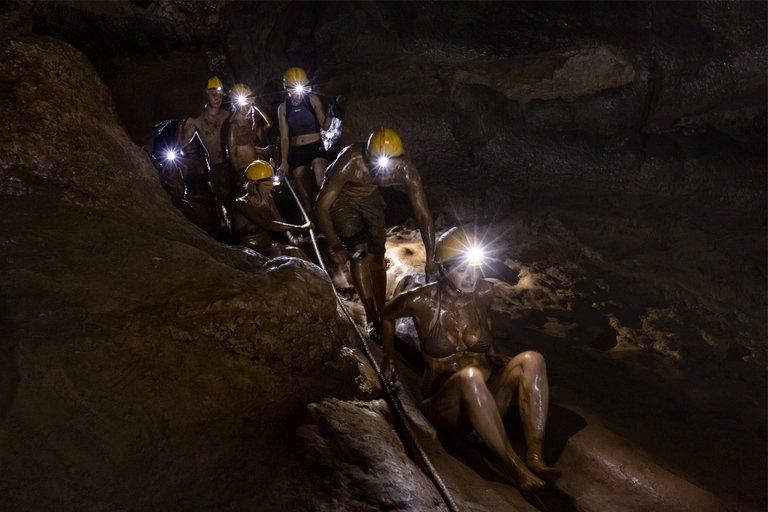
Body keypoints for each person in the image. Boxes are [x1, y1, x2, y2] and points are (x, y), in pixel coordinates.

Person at [379, 228, 560, 493]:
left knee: (532, 358)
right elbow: (385, 315)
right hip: (445, 407)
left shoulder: (484, 293)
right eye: (463, 270)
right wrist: (389, 358)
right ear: (444, 270)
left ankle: (535, 457)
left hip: (487, 400)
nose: (472, 277)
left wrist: (492, 350)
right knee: (470, 377)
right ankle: (515, 467)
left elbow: (485, 321)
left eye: (476, 269)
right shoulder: (420, 301)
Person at [314, 128, 436, 333]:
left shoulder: (407, 171)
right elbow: (321, 206)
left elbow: (424, 216)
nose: (384, 174)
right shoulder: (351, 161)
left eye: (390, 168)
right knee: (359, 251)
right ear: (368, 158)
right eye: (378, 166)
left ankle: (382, 307)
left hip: (370, 199)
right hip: (343, 199)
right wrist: (334, 243)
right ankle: (371, 315)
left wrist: (431, 257)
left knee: (378, 253)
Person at [178, 76, 233, 229]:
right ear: (206, 95)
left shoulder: (227, 115)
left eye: (220, 95)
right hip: (216, 167)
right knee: (223, 204)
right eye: (214, 94)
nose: (218, 98)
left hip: (234, 165)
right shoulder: (197, 119)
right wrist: (183, 120)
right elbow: (181, 143)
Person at [276, 67, 332, 213]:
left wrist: (331, 113)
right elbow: (284, 137)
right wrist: (284, 161)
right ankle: (311, 228)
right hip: (297, 151)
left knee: (322, 183)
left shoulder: (312, 99)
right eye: (293, 87)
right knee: (304, 194)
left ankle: (330, 218)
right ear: (287, 88)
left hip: (315, 147)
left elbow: (325, 126)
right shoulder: (283, 108)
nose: (298, 91)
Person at [232, 160, 312, 260]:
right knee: (292, 252)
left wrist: (291, 238)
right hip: (250, 253)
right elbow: (267, 224)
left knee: (297, 251)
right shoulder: (241, 204)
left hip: (268, 246)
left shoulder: (268, 199)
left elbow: (279, 221)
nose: (271, 188)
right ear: (254, 184)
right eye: (267, 185)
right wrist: (299, 227)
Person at [224, 83, 275, 190]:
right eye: (243, 104)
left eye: (248, 103)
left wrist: (263, 151)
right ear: (235, 103)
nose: (246, 107)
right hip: (244, 171)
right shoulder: (233, 125)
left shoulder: (248, 122)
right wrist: (239, 173)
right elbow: (231, 152)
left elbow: (249, 146)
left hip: (256, 168)